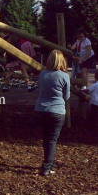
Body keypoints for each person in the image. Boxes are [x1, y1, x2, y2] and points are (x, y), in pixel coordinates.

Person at [34, 49, 70, 177]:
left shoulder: (43, 74)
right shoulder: (65, 76)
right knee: (52, 139)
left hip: (41, 109)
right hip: (57, 110)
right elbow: (66, 96)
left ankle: (51, 164)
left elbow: (40, 90)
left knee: (47, 139)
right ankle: (47, 167)